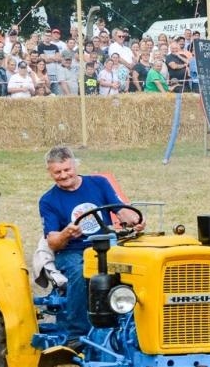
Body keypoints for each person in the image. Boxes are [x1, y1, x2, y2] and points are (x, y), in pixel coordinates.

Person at [38, 146, 143, 341]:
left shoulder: (99, 183)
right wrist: (66, 233)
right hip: (73, 251)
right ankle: (77, 334)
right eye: (57, 172)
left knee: (139, 267)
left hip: (107, 245)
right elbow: (52, 242)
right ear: (50, 173)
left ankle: (135, 322)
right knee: (79, 273)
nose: (63, 175)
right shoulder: (48, 200)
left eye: (67, 170)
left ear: (75, 165)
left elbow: (122, 212)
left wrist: (135, 220)